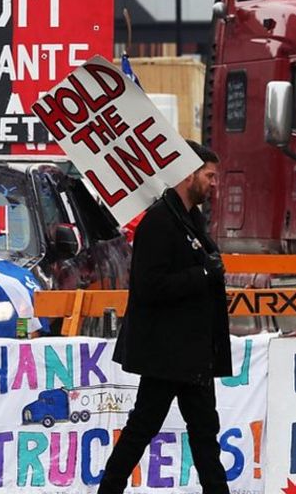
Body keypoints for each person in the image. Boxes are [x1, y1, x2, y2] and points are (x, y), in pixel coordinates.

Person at [100, 140, 231, 494]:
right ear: (188, 175)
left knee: (205, 433)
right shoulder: (159, 222)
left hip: (194, 352)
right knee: (143, 427)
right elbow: (149, 286)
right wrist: (202, 274)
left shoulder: (190, 219)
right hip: (167, 354)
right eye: (209, 175)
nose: (214, 183)